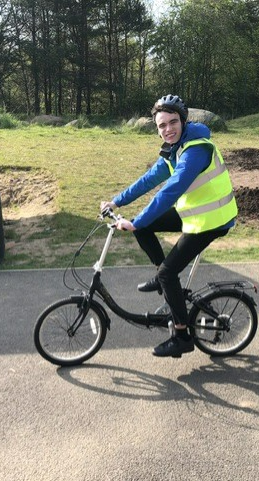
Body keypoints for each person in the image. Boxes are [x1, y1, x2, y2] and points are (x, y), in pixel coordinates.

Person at [100, 94, 237, 358]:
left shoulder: (196, 150)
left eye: (173, 122)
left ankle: (183, 336)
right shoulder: (175, 149)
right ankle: (166, 279)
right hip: (196, 213)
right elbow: (149, 180)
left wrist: (136, 221)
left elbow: (169, 193)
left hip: (212, 220)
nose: (167, 129)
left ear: (183, 121)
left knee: (163, 265)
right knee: (151, 242)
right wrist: (116, 203)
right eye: (161, 125)